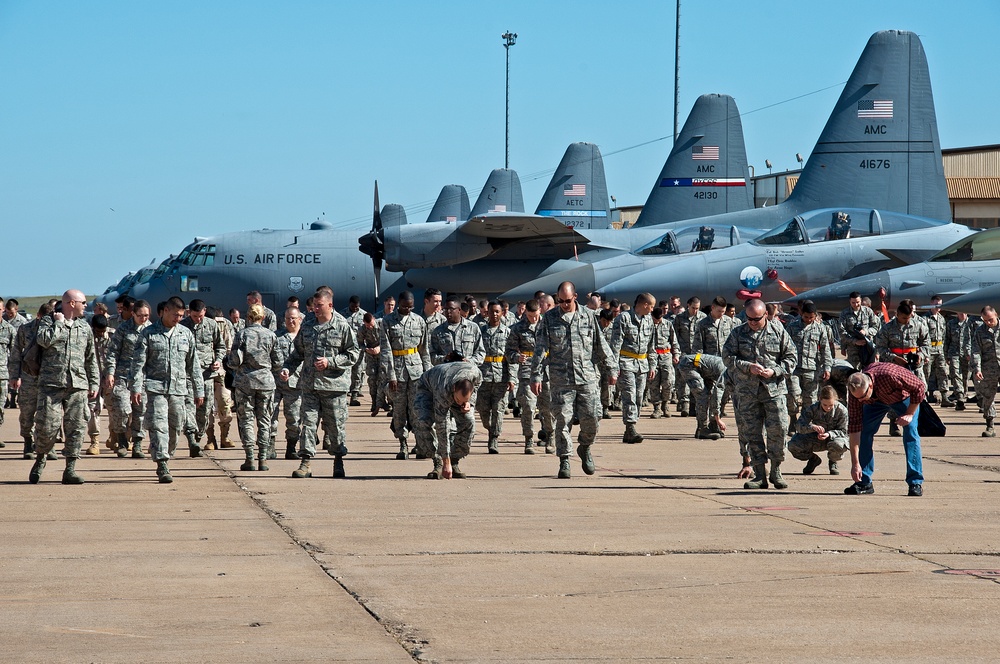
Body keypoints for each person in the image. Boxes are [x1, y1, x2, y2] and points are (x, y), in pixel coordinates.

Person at [531, 281, 616, 479]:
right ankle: (565, 460)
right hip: (561, 379)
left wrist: (611, 368)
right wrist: (535, 375)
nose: (564, 304)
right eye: (560, 300)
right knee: (562, 421)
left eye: (567, 301)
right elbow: (540, 349)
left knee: (592, 419)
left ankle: (584, 447)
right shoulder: (550, 318)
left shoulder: (588, 315)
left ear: (575, 297)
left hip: (587, 377)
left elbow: (600, 344)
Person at [280, 290, 359, 478]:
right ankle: (305, 463)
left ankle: (338, 461)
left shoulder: (341, 326)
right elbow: (297, 352)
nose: (315, 309)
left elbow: (353, 353)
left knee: (335, 426)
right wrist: (287, 368)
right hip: (309, 386)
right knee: (308, 424)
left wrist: (330, 362)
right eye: (314, 305)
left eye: (319, 305)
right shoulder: (307, 325)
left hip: (334, 387)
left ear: (329, 305)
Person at [722, 298, 798, 490]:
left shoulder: (779, 331)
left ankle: (776, 471)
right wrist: (747, 366)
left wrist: (775, 371)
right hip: (747, 392)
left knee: (779, 430)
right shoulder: (738, 333)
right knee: (752, 433)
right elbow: (727, 357)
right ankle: (759, 475)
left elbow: (791, 357)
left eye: (757, 319)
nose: (753, 323)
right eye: (750, 319)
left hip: (774, 391)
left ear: (766, 314)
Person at [28, 291, 99, 485]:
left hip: (77, 384)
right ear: (72, 303)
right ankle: (40, 459)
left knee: (76, 426)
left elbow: (91, 358)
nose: (86, 305)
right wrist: (59, 323)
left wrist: (94, 382)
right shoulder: (48, 322)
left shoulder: (84, 327)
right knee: (46, 426)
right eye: (83, 302)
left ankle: (70, 469)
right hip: (51, 384)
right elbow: (43, 340)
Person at [131, 296, 204, 483]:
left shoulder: (185, 334)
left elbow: (193, 365)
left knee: (176, 426)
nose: (177, 319)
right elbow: (138, 364)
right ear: (164, 311)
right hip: (156, 389)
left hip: (179, 390)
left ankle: (167, 453)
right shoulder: (148, 334)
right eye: (174, 315)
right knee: (158, 426)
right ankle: (162, 463)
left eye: (180, 316)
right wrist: (136, 387)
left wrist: (199, 390)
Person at [844, 363, 926, 496]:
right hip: (876, 402)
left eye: (863, 397)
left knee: (910, 431)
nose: (860, 401)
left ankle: (915, 482)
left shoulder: (890, 375)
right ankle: (864, 482)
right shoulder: (856, 395)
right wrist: (855, 464)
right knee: (864, 431)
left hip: (903, 399)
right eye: (858, 398)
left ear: (870, 386)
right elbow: (854, 428)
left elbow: (920, 387)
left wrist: (909, 414)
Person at [227, 303, 282, 471]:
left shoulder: (241, 334)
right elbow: (278, 362)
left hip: (245, 383)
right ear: (263, 318)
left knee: (246, 420)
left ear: (248, 318)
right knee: (265, 420)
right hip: (265, 382)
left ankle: (250, 457)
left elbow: (233, 361)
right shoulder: (271, 335)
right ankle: (263, 458)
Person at [380, 291, 432, 460]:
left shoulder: (419, 321)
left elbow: (424, 351)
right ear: (399, 303)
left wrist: (427, 374)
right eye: (404, 306)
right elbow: (386, 352)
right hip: (398, 372)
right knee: (399, 410)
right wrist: (391, 376)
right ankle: (403, 443)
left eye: (411, 307)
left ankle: (420, 443)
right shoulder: (387, 322)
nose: (408, 309)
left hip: (416, 372)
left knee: (418, 409)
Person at [414, 361, 483, 479]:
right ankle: (439, 462)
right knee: (424, 421)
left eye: (461, 400)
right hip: (428, 389)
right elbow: (442, 425)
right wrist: (446, 461)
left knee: (469, 422)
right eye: (457, 399)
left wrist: (468, 402)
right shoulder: (443, 389)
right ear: (454, 388)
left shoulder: (476, 374)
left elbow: (475, 387)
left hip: (458, 388)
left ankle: (455, 460)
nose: (458, 403)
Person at [103, 300, 152, 458]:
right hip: (123, 376)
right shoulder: (123, 329)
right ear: (133, 314)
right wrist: (110, 372)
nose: (143, 318)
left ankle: (137, 443)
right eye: (140, 315)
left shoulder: (151, 329)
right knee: (122, 409)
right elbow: (112, 352)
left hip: (143, 377)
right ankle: (122, 440)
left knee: (141, 410)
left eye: (146, 315)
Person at [875, 299, 930, 437]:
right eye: (904, 318)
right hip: (895, 367)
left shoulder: (918, 325)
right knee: (896, 394)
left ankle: (918, 421)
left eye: (909, 317)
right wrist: (893, 358)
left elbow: (926, 343)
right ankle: (894, 422)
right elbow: (880, 347)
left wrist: (920, 355)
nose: (906, 320)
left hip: (914, 366)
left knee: (921, 390)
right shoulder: (887, 328)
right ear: (897, 314)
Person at [505, 299, 553, 454]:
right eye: (530, 316)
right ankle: (529, 439)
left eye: (535, 315)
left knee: (548, 408)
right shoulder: (518, 328)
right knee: (528, 407)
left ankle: (550, 437)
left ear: (540, 310)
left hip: (546, 370)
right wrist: (516, 357)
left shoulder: (548, 324)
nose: (533, 319)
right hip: (527, 371)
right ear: (525, 312)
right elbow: (509, 351)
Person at [181, 300, 229, 452]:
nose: (198, 319)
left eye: (200, 316)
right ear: (189, 313)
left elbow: (220, 346)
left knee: (205, 409)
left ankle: (197, 437)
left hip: (206, 374)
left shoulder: (211, 325)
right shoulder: (182, 327)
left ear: (205, 311)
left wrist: (218, 360)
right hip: (187, 374)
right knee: (189, 408)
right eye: (195, 316)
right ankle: (191, 438)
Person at [611, 293, 656, 444]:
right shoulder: (624, 318)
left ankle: (630, 427)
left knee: (638, 397)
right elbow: (615, 344)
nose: (652, 309)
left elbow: (652, 346)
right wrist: (614, 366)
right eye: (651, 306)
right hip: (626, 363)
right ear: (644, 305)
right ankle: (630, 427)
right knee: (629, 395)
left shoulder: (649, 320)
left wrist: (652, 365)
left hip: (642, 365)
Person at [10, 302, 53, 458]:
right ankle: (28, 442)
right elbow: (16, 354)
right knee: (27, 412)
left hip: (49, 378)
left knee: (48, 414)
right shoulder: (25, 329)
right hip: (29, 378)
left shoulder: (55, 330)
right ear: (38, 316)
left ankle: (47, 446)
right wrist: (15, 376)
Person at [785, 301, 833, 433]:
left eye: (811, 317)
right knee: (793, 394)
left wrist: (827, 368)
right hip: (794, 368)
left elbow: (825, 350)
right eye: (806, 317)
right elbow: (784, 346)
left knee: (810, 398)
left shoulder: (820, 328)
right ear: (801, 314)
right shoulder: (792, 327)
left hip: (812, 368)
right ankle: (793, 418)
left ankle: (804, 422)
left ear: (815, 315)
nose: (809, 320)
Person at [788, 385, 848, 475]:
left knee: (838, 444)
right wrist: (812, 427)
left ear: (836, 400)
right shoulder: (813, 408)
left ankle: (833, 461)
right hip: (816, 438)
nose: (828, 408)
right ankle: (813, 459)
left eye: (831, 405)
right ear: (820, 399)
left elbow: (844, 432)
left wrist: (829, 434)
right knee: (793, 445)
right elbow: (799, 426)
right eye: (825, 405)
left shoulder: (841, 410)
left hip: (834, 439)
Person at [477, 301, 511, 453]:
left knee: (498, 409)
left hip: (501, 376)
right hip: (483, 376)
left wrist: (512, 378)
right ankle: (489, 428)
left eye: (498, 311)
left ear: (502, 313)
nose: (495, 314)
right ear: (487, 313)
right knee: (483, 410)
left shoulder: (507, 332)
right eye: (492, 311)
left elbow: (511, 356)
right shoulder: (480, 331)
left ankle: (494, 438)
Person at [272, 308, 304, 458]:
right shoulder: (276, 337)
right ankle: (270, 446)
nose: (290, 321)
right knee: (270, 415)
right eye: (287, 319)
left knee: (294, 418)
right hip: (276, 383)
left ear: (300, 319)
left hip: (296, 384)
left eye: (293, 318)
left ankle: (291, 447)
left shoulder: (304, 337)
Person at [678, 352, 728, 442]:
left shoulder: (732, 370)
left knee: (708, 394)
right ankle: (703, 429)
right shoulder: (726, 372)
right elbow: (717, 396)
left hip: (704, 370)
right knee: (703, 396)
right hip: (689, 365)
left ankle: (712, 426)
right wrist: (718, 419)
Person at [85, 314, 114, 456]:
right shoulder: (86, 336)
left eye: (103, 331)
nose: (101, 334)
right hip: (92, 379)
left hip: (110, 378)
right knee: (92, 410)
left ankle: (114, 436)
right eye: (98, 331)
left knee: (114, 409)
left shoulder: (114, 336)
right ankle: (94, 441)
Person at [673, 297, 706, 416]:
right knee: (682, 379)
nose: (695, 311)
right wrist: (677, 352)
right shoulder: (680, 318)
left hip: (698, 354)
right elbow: (675, 336)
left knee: (697, 378)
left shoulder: (703, 318)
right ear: (688, 305)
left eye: (697, 308)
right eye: (693, 308)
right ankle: (684, 403)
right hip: (684, 352)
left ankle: (694, 404)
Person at [971, 306, 1000, 438]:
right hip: (989, 368)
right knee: (988, 397)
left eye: (990, 320)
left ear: (996, 315)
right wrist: (977, 369)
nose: (988, 322)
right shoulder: (980, 332)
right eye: (985, 320)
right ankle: (990, 426)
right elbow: (976, 351)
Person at [648, 306, 680, 420]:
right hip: (652, 357)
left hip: (666, 356)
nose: (657, 321)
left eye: (659, 319)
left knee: (668, 382)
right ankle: (656, 408)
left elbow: (674, 341)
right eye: (655, 319)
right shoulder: (647, 325)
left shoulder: (668, 324)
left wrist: (676, 354)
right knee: (653, 383)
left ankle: (665, 404)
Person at [839, 292, 880, 369]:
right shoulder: (844, 313)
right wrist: (855, 341)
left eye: (857, 302)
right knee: (854, 373)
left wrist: (866, 331)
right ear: (849, 302)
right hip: (853, 349)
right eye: (853, 303)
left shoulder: (868, 312)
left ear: (861, 300)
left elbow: (875, 327)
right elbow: (842, 332)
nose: (855, 305)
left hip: (868, 347)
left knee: (869, 371)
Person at [922, 296, 951, 405]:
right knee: (927, 373)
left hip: (940, 350)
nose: (939, 307)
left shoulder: (941, 318)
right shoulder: (925, 318)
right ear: (931, 303)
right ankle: (926, 395)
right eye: (937, 304)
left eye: (940, 304)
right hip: (929, 349)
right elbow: (923, 337)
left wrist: (945, 351)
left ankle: (944, 397)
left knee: (943, 372)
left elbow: (944, 336)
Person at [945, 311, 973, 411]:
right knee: (956, 375)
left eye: (965, 313)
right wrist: (946, 355)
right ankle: (959, 397)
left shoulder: (971, 323)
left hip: (967, 355)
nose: (963, 314)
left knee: (965, 377)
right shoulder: (951, 323)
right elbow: (947, 339)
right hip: (954, 353)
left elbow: (975, 339)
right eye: (960, 313)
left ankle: (963, 395)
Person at [343, 295, 367, 407]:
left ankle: (354, 396)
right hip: (346, 349)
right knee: (345, 372)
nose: (355, 309)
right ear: (349, 304)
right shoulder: (342, 315)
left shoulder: (364, 315)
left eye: (357, 307)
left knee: (357, 372)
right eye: (353, 306)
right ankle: (344, 396)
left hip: (359, 349)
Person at [0, 310, 14, 447]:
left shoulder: (9, 329)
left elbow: (15, 354)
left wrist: (15, 375)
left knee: (0, 406)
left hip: (2, 375)